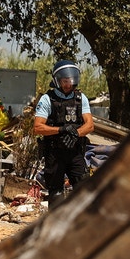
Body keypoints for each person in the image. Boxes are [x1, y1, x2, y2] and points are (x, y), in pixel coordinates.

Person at [33, 59, 94, 209]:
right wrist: (61, 130)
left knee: (83, 189)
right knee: (56, 194)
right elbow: (38, 127)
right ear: (57, 81)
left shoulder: (81, 98)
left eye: (71, 81)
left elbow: (90, 125)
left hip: (75, 152)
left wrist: (75, 134)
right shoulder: (47, 99)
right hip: (55, 152)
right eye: (65, 81)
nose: (68, 84)